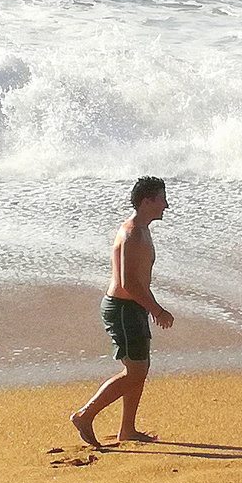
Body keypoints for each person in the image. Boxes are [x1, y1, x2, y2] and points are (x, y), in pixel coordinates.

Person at [70, 176, 175, 446]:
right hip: (124, 309)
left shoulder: (142, 229)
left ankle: (127, 429)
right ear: (148, 200)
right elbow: (128, 284)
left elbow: (137, 281)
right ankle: (85, 415)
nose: (167, 205)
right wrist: (158, 310)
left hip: (133, 307)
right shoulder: (133, 234)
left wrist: (149, 307)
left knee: (139, 368)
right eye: (162, 199)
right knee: (136, 372)